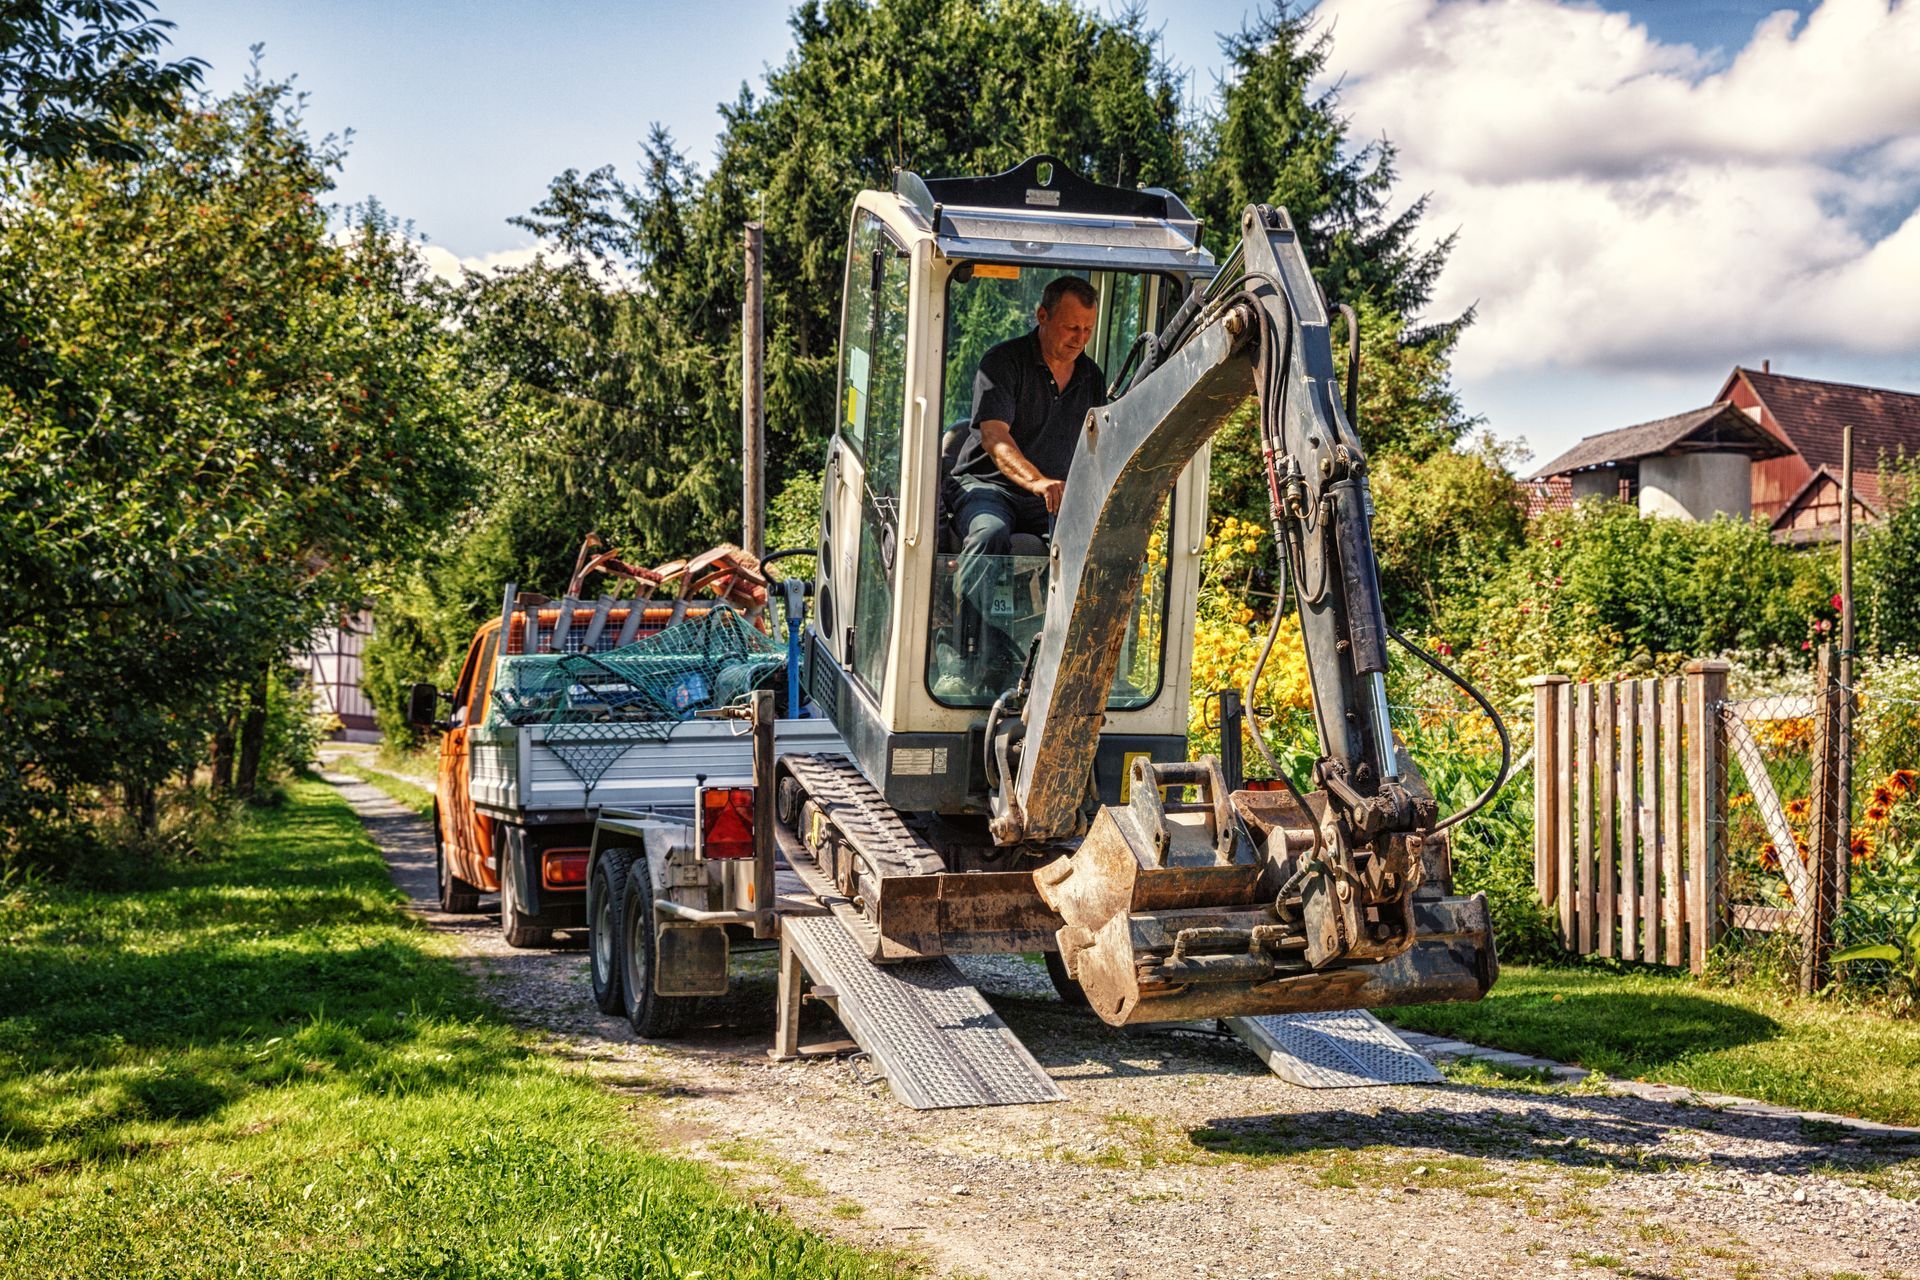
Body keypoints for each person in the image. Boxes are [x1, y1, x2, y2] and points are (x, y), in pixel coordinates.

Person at [942, 275, 1106, 689]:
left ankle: (1066, 669)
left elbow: (1098, 445)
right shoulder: (1003, 362)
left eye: (1088, 329)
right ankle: (961, 656)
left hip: (1050, 496)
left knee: (1089, 550)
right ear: (1042, 316)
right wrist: (1037, 481)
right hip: (988, 487)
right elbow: (995, 437)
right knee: (989, 534)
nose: (1080, 338)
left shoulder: (1091, 377)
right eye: (1072, 327)